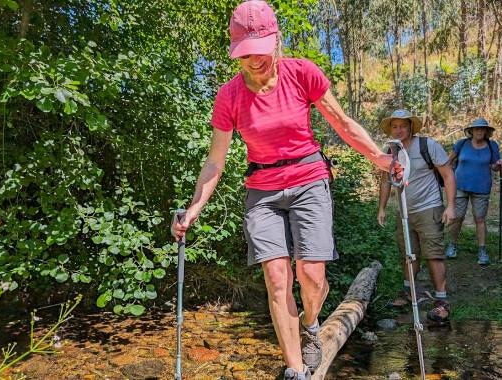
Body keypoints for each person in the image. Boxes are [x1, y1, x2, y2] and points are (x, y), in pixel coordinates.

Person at [170, 1, 398, 379]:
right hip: (262, 189)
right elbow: (215, 161)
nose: (254, 61)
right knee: (277, 278)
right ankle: (296, 370)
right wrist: (195, 207)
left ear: (276, 42)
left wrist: (379, 158)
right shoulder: (229, 96)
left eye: (261, 51)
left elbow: (341, 123)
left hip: (309, 178)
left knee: (312, 275)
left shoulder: (301, 73)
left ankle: (311, 325)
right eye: (245, 54)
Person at [377, 109, 456, 325]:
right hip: (403, 211)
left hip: (429, 207)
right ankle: (410, 293)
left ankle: (441, 302)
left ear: (411, 127)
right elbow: (385, 181)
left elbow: (448, 174)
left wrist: (450, 206)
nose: (399, 130)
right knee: (408, 254)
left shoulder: (427, 145)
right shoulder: (391, 150)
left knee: (434, 254)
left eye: (403, 125)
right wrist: (382, 208)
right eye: (395, 126)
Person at [445, 118, 502, 265]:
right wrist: (447, 177)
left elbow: (495, 167)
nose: (479, 131)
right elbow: (448, 162)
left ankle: (482, 250)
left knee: (480, 219)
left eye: (482, 129)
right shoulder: (462, 144)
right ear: (471, 131)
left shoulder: (492, 145)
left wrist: (498, 165)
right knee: (457, 217)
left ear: (486, 131)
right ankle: (452, 245)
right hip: (460, 186)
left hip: (481, 188)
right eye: (477, 129)